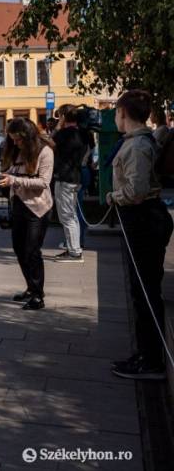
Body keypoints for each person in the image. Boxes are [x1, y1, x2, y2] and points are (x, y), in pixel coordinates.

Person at [109, 90, 173, 381]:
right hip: (142, 220)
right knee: (140, 290)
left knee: (146, 292)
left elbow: (135, 192)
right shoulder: (138, 142)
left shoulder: (136, 147)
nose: (115, 117)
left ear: (124, 113)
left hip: (144, 220)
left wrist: (112, 195)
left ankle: (151, 361)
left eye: (116, 112)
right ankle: (146, 353)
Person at [0, 118, 54, 311]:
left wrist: (13, 180)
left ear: (27, 136)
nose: (15, 143)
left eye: (17, 139)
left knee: (32, 250)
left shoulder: (44, 151)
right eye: (12, 139)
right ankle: (31, 288)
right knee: (19, 249)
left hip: (38, 207)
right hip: (19, 205)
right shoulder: (17, 151)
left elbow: (43, 183)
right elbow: (13, 172)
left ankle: (39, 296)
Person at [52, 107, 87, 263]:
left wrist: (59, 126)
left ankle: (74, 252)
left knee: (66, 217)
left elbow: (49, 142)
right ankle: (74, 249)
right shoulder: (82, 133)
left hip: (65, 178)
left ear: (64, 118)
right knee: (72, 216)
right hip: (75, 177)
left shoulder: (64, 134)